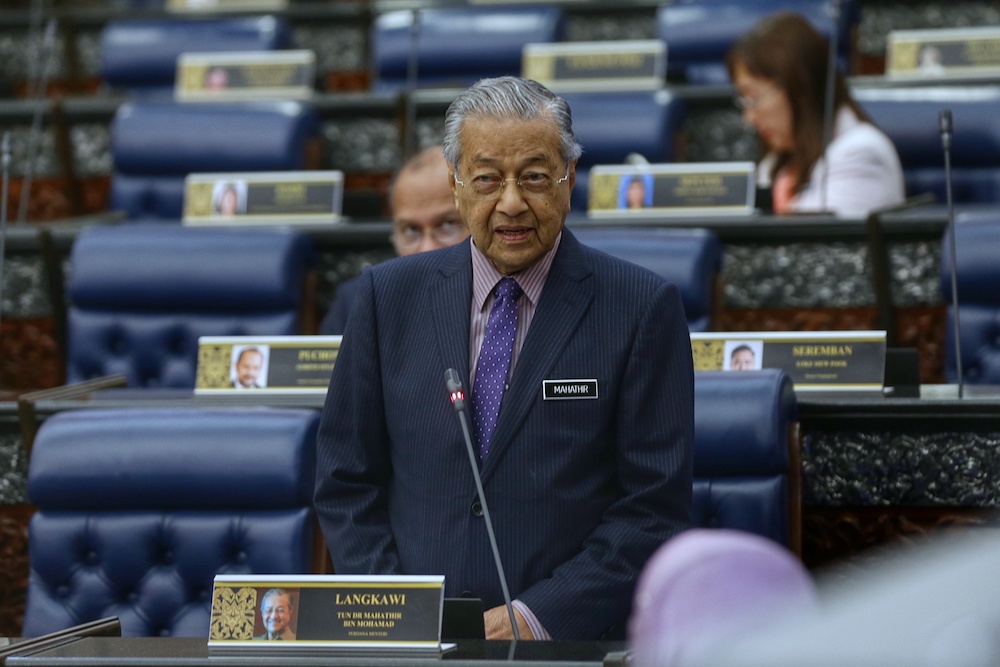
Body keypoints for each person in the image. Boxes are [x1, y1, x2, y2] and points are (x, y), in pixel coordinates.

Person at [314, 76, 694, 641]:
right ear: (457, 184)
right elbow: (347, 482)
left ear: (569, 181)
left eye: (535, 177)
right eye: (488, 178)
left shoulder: (640, 308)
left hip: (566, 644)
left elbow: (652, 509)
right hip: (413, 642)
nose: (511, 203)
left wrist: (536, 618)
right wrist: (394, 612)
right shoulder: (384, 298)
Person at [727, 12, 905, 217]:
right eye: (744, 101)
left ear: (800, 88)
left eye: (754, 98)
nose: (749, 117)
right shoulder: (777, 162)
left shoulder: (861, 155)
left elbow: (815, 246)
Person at [319, 145, 469, 334]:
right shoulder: (356, 304)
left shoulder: (506, 299)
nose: (427, 248)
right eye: (412, 230)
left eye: (447, 225)